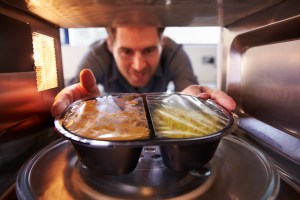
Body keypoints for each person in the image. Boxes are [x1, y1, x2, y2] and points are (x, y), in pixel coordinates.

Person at [51, 26, 236, 117]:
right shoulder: (96, 56)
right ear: (110, 44)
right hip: (117, 120)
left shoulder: (174, 53)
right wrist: (81, 105)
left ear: (162, 43)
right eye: (126, 51)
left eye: (149, 50)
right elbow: (75, 93)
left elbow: (189, 89)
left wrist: (193, 101)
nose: (138, 66)